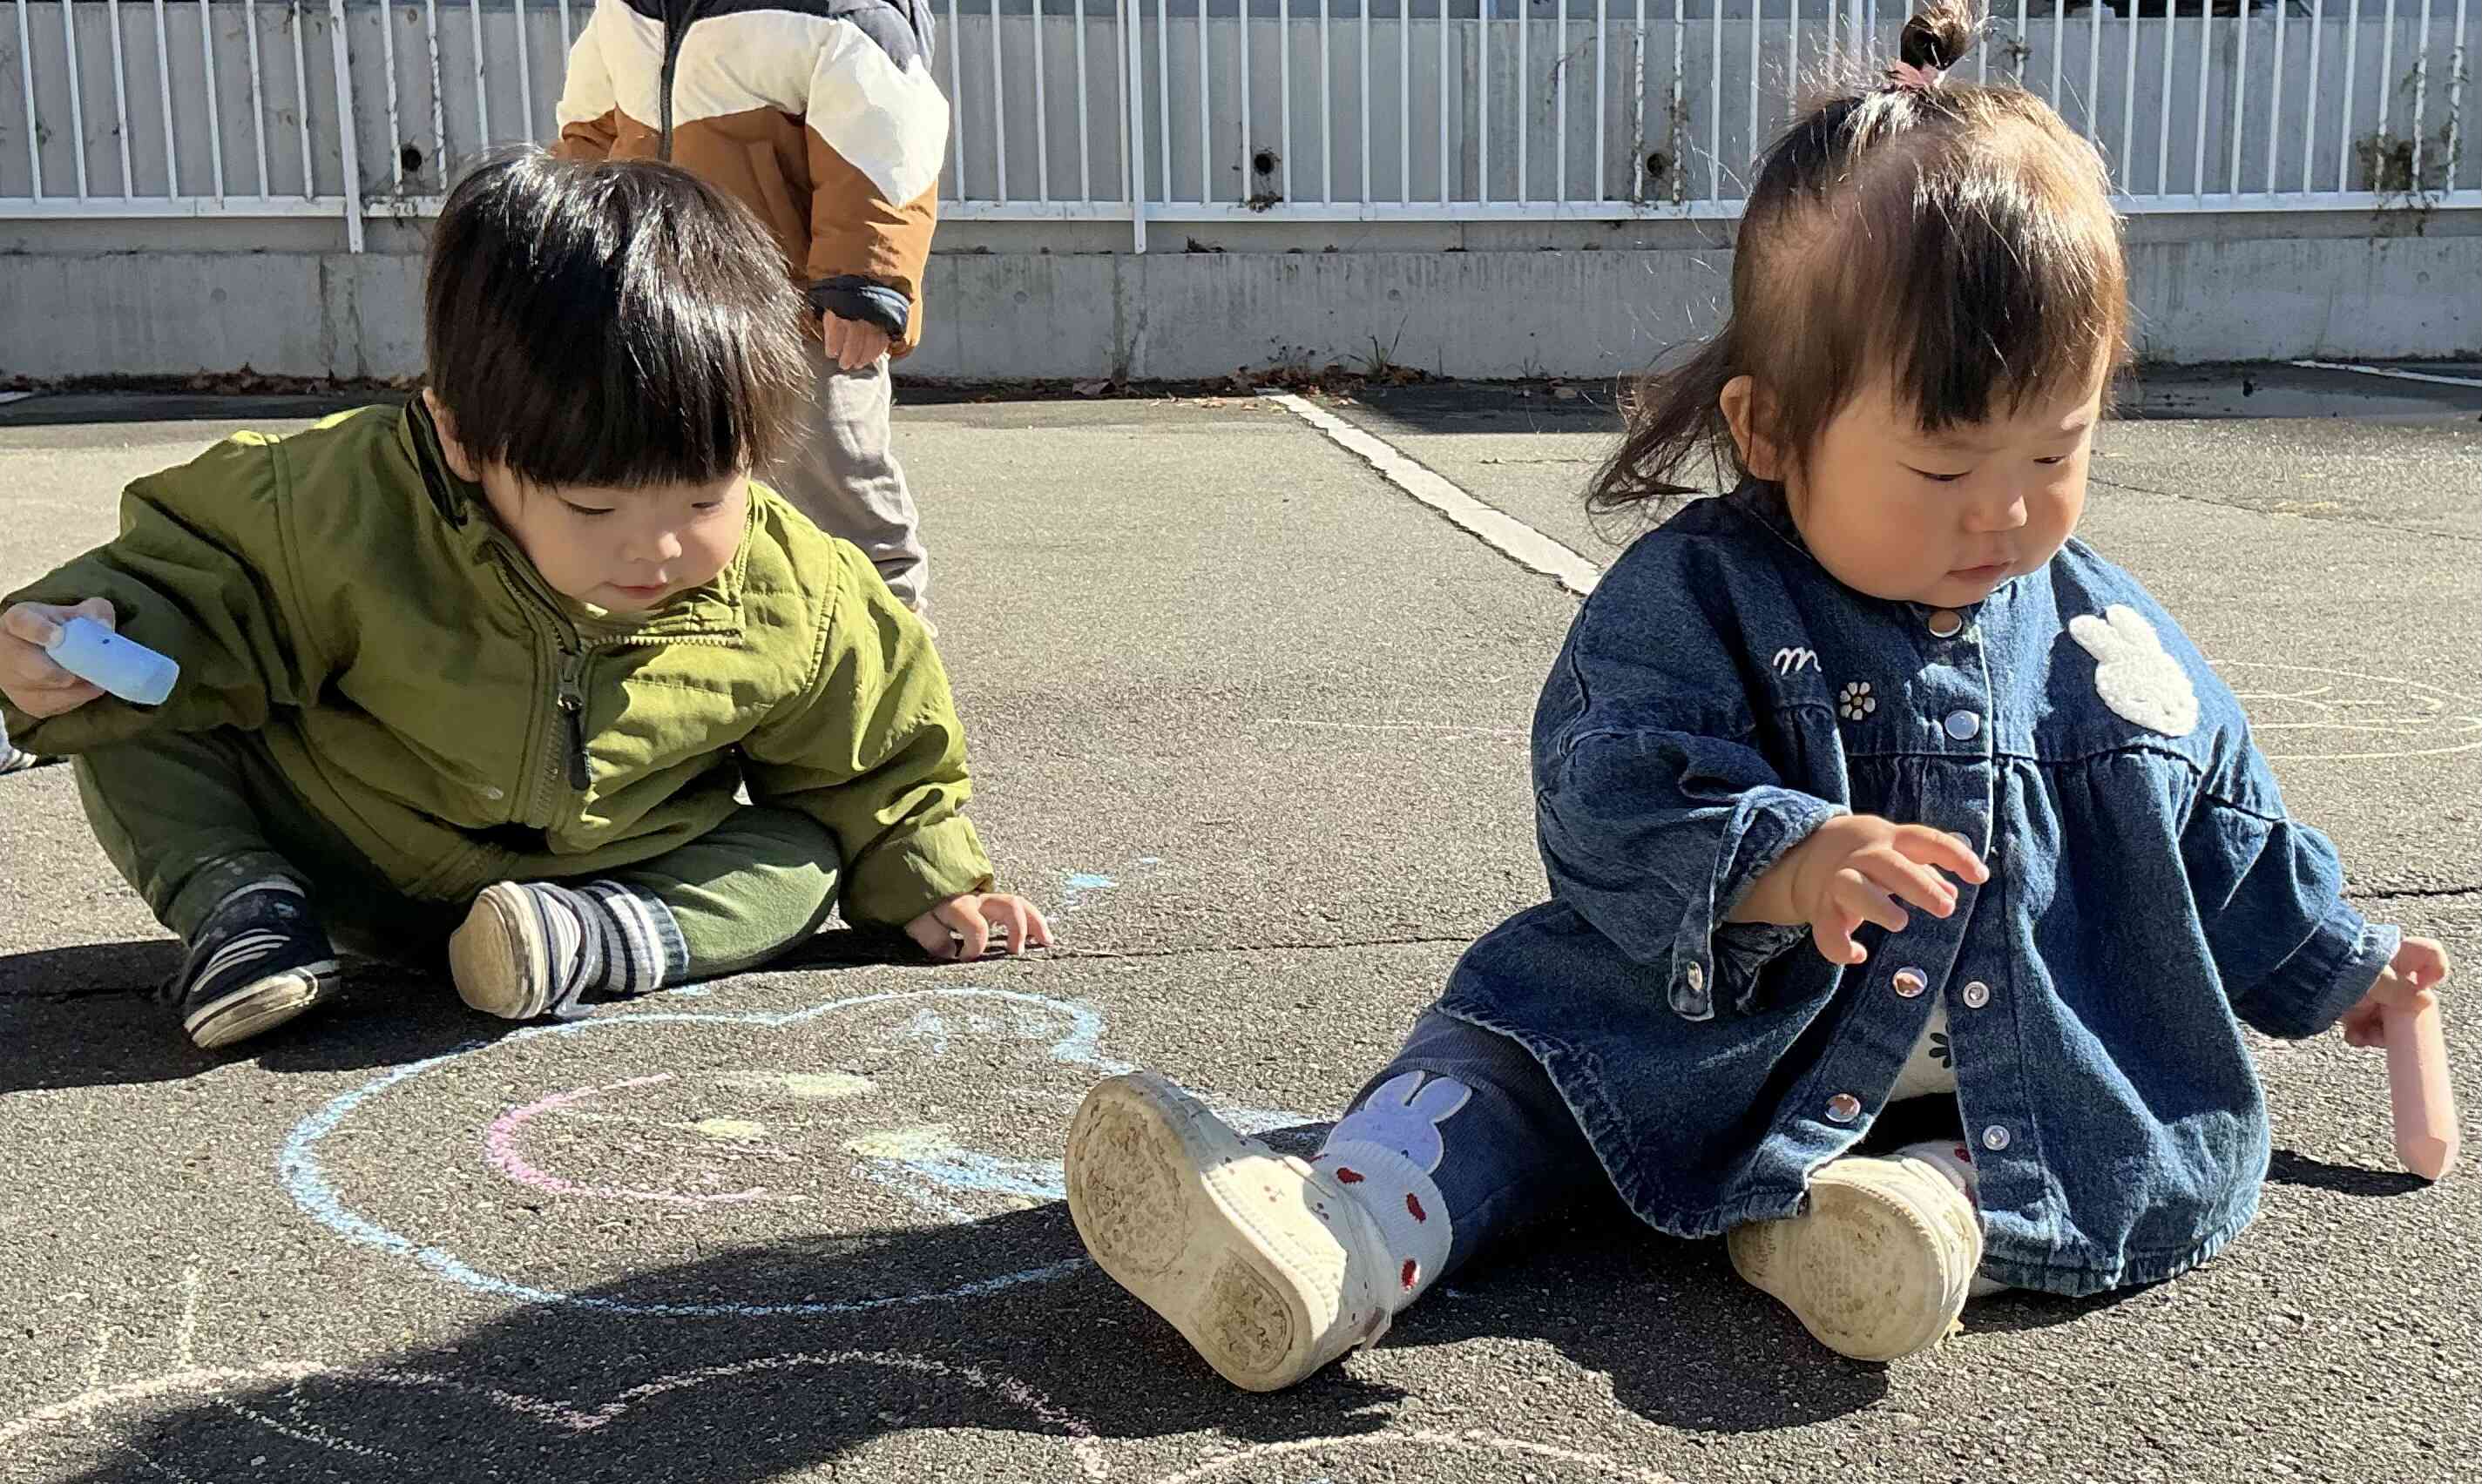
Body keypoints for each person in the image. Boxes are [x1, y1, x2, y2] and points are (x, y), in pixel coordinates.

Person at [1059, 1, 2452, 1389]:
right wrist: (1784, 859)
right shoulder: (1703, 596)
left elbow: (2214, 820)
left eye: (2055, 451)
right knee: (1502, 1071)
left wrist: (2345, 965)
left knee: (2070, 1141)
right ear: (1770, 427)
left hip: (1998, 1059)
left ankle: (1902, 1227)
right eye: (1942, 466)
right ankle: (1337, 1240)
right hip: (1704, 1042)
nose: (2005, 511)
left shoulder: (2103, 635)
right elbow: (1610, 782)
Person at [0, 155, 1049, 1053]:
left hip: (602, 864)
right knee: (145, 714)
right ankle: (242, 907)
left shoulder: (797, 587)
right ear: (461, 438)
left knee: (805, 855)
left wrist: (926, 879)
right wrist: (73, 649)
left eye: (704, 497)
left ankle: (585, 940)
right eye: (592, 506)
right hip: (338, 845)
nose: (658, 548)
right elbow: (191, 590)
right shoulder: (328, 508)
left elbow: (868, 756)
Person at [551, 0, 949, 623]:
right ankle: (719, 643)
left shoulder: (839, 13)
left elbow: (888, 141)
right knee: (675, 488)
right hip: (661, 299)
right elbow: (590, 131)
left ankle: (888, 640)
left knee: (833, 481)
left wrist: (864, 281)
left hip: (798, 306)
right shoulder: (626, 9)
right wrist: (564, 236)